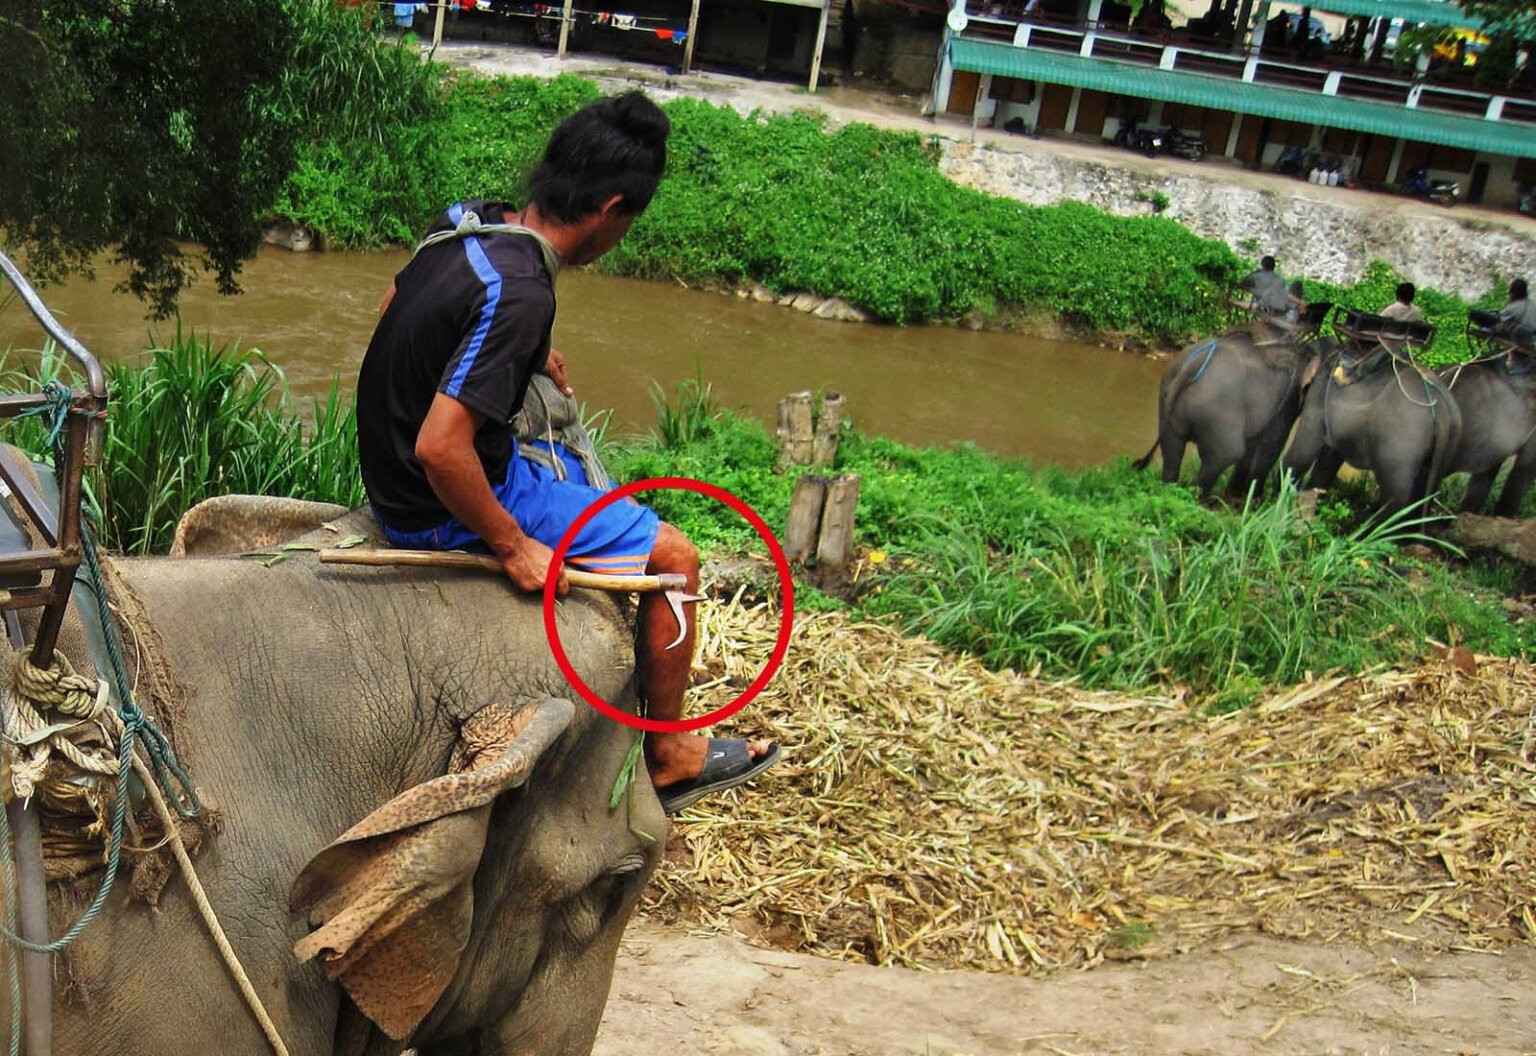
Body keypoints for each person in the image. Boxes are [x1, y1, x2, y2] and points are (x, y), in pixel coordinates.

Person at [356, 91, 779, 813]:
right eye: (629, 223)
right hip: (428, 501)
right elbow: (441, 447)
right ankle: (671, 752)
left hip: (381, 464)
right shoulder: (524, 291)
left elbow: (401, 311)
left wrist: (520, 357)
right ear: (612, 209)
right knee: (675, 557)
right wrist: (514, 544)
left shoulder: (467, 222)